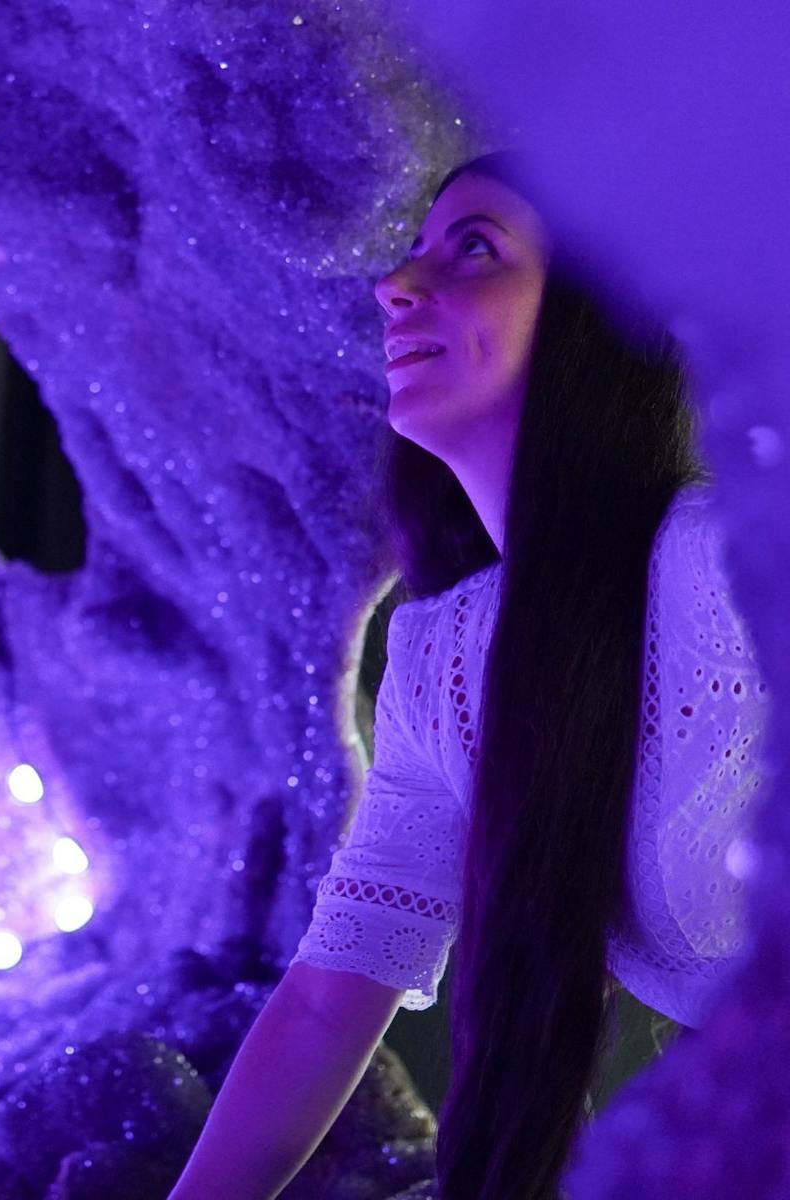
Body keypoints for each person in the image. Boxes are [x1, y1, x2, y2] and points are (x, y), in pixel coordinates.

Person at [167, 151, 772, 1200]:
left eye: (475, 247)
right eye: (411, 252)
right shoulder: (444, 661)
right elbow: (325, 1000)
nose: (395, 285)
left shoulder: (729, 567)